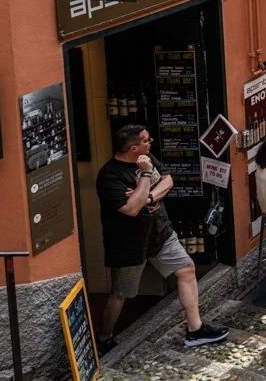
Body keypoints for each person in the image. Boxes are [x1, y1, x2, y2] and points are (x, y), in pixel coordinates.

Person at [95, 124, 228, 353]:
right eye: (146, 141)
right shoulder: (110, 175)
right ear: (133, 147)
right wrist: (146, 175)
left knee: (186, 269)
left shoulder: (146, 156)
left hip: (160, 232)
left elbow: (168, 181)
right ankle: (104, 338)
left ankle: (195, 330)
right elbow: (131, 209)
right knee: (121, 294)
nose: (151, 142)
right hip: (130, 244)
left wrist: (146, 196)